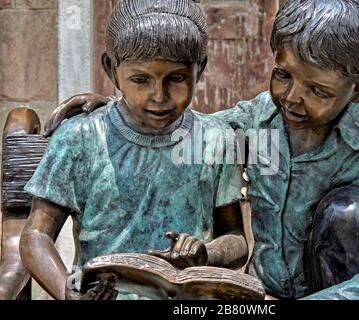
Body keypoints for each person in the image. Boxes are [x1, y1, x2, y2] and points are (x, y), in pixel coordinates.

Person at [45, 0, 359, 299]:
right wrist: (119, 102)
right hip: (257, 297)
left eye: (318, 91)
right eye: (282, 75)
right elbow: (183, 126)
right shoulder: (260, 121)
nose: (292, 99)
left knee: (349, 213)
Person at [19, 0, 247, 300]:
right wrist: (67, 292)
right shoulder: (82, 137)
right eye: (140, 80)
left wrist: (205, 253)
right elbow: (36, 235)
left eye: (177, 79)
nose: (159, 96)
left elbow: (236, 240)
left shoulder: (216, 140)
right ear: (112, 70)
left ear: (200, 69)